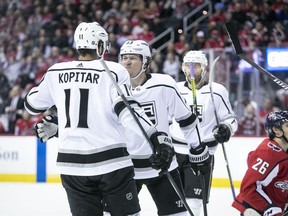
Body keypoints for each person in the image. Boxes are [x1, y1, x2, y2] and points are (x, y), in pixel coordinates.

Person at [24, 22, 174, 216]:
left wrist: (59, 122)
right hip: (111, 163)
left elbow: (32, 104)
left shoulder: (55, 71)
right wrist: (156, 137)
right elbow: (128, 112)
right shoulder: (112, 71)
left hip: (72, 165)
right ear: (100, 45)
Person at [104, 40, 210, 216]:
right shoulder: (109, 87)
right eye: (123, 58)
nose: (126, 62)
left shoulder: (165, 84)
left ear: (145, 62)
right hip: (124, 167)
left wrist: (197, 148)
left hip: (164, 164)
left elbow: (186, 119)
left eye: (132, 58)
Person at [169, 50, 238, 216]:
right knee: (174, 206)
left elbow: (231, 119)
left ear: (205, 68)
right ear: (183, 68)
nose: (192, 70)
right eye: (188, 65)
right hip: (175, 152)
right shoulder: (174, 89)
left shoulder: (217, 91)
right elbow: (166, 118)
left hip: (202, 153)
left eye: (196, 66)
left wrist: (226, 129)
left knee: (194, 204)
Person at [232, 110, 288, 216]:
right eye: (287, 126)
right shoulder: (269, 153)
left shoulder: (284, 152)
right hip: (258, 209)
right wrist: (270, 208)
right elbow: (249, 188)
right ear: (277, 130)